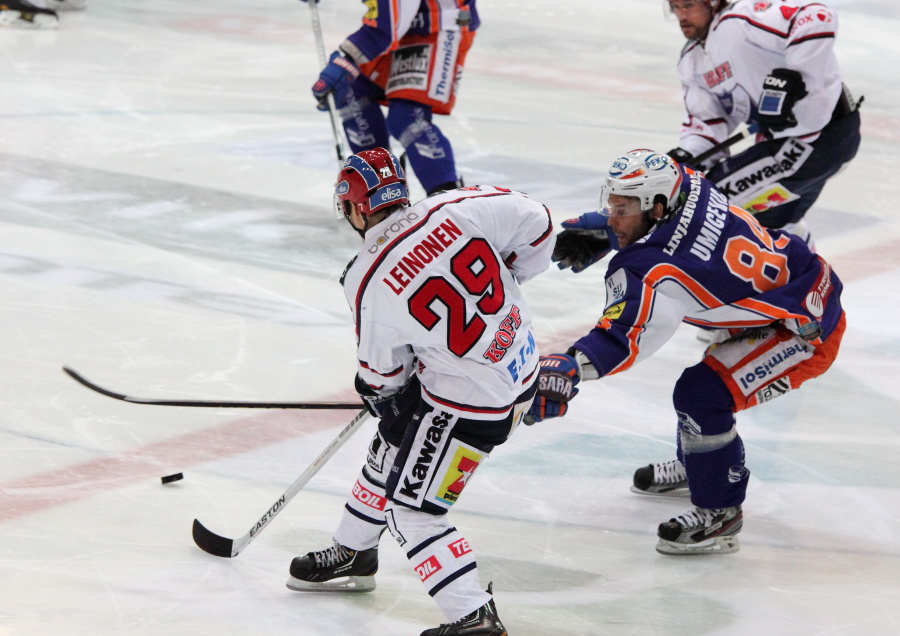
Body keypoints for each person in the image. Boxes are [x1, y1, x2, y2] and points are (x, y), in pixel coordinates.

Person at [287, 147, 553, 635]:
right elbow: (538, 220)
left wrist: (376, 391)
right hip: (520, 368)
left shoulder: (365, 276)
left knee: (413, 509)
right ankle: (354, 550)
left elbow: (382, 376)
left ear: (357, 207)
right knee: (392, 445)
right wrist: (513, 276)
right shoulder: (452, 206)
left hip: (469, 405)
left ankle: (472, 617)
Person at [534, 149, 845, 555]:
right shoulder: (691, 183)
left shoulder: (650, 270)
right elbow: (673, 226)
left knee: (703, 395)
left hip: (803, 327)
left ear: (657, 207)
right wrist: (611, 230)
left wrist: (569, 366)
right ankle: (700, 466)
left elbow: (627, 337)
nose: (613, 217)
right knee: (702, 391)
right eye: (610, 206)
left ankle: (721, 513)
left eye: (622, 209)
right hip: (799, 280)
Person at [665, 0, 861, 248]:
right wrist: (688, 156)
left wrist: (799, 79)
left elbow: (817, 16)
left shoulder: (742, 19)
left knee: (703, 204)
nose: (681, 15)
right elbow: (708, 125)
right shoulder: (692, 62)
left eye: (689, 5)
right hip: (799, 145)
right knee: (775, 226)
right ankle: (810, 281)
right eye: (675, 7)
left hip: (820, 138)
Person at [304, 0, 478, 196]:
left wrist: (345, 61)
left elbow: (384, 30)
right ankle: (382, 191)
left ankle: (448, 201)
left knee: (408, 117)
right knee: (352, 92)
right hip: (398, 20)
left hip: (437, 24)